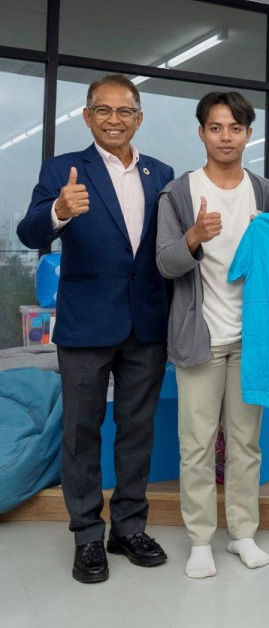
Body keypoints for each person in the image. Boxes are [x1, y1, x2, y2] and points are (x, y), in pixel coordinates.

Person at [17, 74, 174, 583]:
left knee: (137, 430)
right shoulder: (63, 169)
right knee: (82, 432)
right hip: (86, 325)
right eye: (103, 110)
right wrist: (58, 211)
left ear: (138, 118)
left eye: (124, 111)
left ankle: (128, 528)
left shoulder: (160, 173)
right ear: (87, 116)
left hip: (146, 323)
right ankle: (87, 535)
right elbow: (29, 231)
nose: (113, 119)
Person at [155, 91, 269, 579]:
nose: (226, 137)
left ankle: (242, 533)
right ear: (201, 132)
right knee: (197, 445)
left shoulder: (267, 193)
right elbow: (165, 264)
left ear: (249, 134)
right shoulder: (179, 193)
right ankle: (200, 539)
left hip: (252, 339)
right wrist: (193, 237)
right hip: (200, 337)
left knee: (246, 443)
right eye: (216, 127)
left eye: (235, 128)